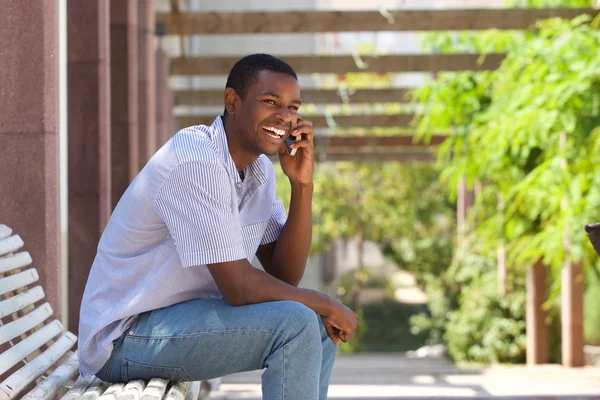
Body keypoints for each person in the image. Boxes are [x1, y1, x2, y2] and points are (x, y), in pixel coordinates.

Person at [78, 53, 358, 400]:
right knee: (298, 322)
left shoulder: (258, 173)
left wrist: (302, 186)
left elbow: (285, 276)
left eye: (293, 108)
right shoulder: (197, 161)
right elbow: (238, 287)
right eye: (271, 102)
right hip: (123, 337)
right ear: (233, 102)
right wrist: (325, 302)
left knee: (316, 326)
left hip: (178, 323)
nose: (285, 117)